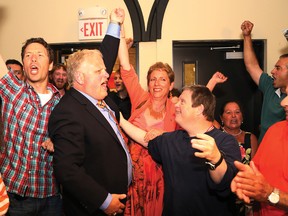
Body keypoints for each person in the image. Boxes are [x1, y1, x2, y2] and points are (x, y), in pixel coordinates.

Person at [0, 8, 124, 216]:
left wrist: (115, 24)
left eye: (39, 55)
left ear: (49, 65)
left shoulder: (65, 103)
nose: (33, 59)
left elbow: (98, 68)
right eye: (28, 55)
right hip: (14, 199)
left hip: (52, 200)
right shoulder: (12, 90)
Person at [118, 24, 228, 215]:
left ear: (171, 85)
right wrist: (120, 33)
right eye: (153, 79)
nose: (157, 83)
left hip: (164, 177)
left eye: (162, 79)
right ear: (148, 83)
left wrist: (162, 135)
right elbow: (126, 69)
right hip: (135, 176)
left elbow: (197, 107)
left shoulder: (176, 108)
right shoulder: (139, 98)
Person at [48, 8, 131, 216]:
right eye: (99, 71)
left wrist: (115, 23)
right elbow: (67, 169)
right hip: (95, 209)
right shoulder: (67, 112)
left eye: (105, 70)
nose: (107, 75)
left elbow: (106, 58)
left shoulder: (100, 98)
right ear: (80, 78)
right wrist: (103, 201)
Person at [120, 85, 242, 216]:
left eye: (182, 102)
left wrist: (216, 159)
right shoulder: (173, 139)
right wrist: (120, 119)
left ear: (199, 109)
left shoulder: (226, 141)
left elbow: (224, 182)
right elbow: (145, 139)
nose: (176, 105)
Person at [231, 86, 288, 216]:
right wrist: (245, 182)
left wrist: (270, 194)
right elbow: (257, 173)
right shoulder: (275, 130)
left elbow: (265, 192)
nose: (283, 102)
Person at [241, 20, 288, 143]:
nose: (272, 71)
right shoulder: (270, 86)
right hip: (264, 152)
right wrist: (246, 36)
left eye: (278, 68)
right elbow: (251, 65)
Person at [220, 100, 258, 216]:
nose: (233, 116)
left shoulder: (250, 138)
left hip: (244, 192)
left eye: (237, 112)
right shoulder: (217, 136)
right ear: (221, 118)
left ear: (242, 116)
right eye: (228, 112)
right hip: (221, 191)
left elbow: (254, 169)